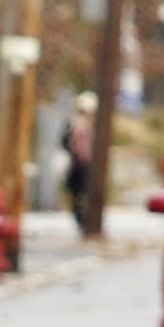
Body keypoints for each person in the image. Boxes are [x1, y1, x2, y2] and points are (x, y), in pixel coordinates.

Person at [63, 93, 96, 233]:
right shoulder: (76, 125)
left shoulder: (81, 125)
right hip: (80, 164)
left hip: (83, 164)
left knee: (81, 195)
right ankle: (81, 219)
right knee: (79, 194)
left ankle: (83, 220)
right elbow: (66, 143)